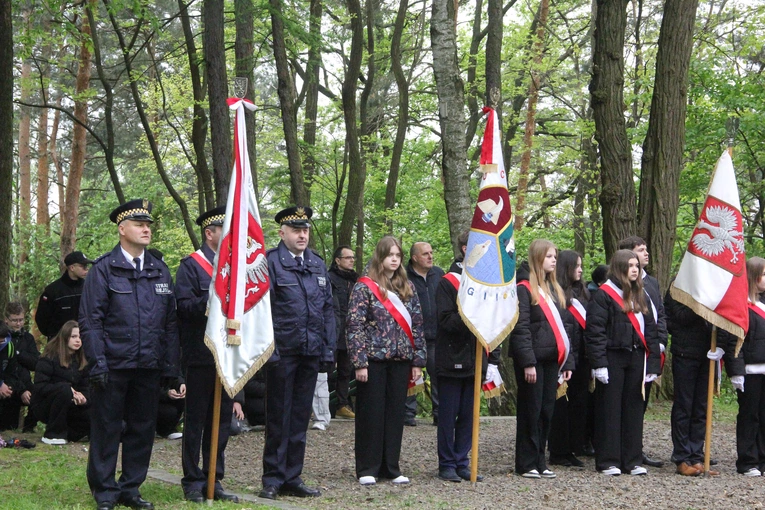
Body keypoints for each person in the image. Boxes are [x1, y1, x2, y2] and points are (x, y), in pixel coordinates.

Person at [79, 199, 182, 510]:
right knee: (107, 428)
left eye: (148, 224)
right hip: (113, 364)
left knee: (142, 429)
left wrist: (171, 367)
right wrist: (97, 362)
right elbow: (90, 320)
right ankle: (105, 492)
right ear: (122, 229)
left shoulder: (159, 269)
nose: (146, 228)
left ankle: (131, 489)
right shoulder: (103, 269)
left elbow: (170, 323)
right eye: (139, 224)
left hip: (148, 365)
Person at [259, 206, 336, 500]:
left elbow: (327, 309)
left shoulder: (316, 264)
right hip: (283, 351)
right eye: (296, 230)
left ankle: (293, 475)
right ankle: (273, 478)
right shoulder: (270, 263)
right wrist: (271, 350)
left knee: (300, 417)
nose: (302, 234)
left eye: (305, 230)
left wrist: (327, 349)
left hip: (310, 351)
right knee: (278, 417)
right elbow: (263, 310)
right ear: (282, 233)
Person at [346, 235, 426, 486]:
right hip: (373, 361)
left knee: (395, 415)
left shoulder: (406, 287)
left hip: (401, 359)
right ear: (380, 257)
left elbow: (418, 326)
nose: (394, 259)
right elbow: (354, 326)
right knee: (371, 414)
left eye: (398, 255)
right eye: (390, 254)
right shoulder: (364, 287)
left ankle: (391, 467)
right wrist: (359, 362)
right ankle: (367, 467)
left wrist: (417, 361)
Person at [174, 205, 239, 504]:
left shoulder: (236, 268)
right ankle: (192, 479)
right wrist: (210, 298)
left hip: (228, 354)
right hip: (200, 354)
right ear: (209, 233)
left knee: (222, 419)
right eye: (222, 231)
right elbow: (183, 307)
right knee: (197, 420)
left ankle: (216, 476)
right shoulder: (191, 266)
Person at [585, 249, 661, 476]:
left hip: (637, 356)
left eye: (636, 265)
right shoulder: (604, 295)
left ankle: (632, 459)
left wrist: (653, 365)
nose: (635, 268)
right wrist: (598, 364)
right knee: (609, 409)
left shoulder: (641, 294)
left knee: (634, 408)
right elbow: (595, 331)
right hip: (612, 357)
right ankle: (608, 460)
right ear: (619, 268)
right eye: (630, 265)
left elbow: (651, 332)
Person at [435, 230, 499, 482]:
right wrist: (473, 314)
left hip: (477, 358)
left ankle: (463, 460)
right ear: (465, 249)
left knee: (469, 415)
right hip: (452, 357)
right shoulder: (446, 282)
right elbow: (445, 320)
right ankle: (447, 463)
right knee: (448, 414)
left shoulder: (486, 283)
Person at [510, 240, 574, 479]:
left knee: (547, 410)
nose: (554, 260)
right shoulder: (523, 288)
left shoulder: (553, 289)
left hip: (551, 360)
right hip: (532, 361)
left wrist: (567, 362)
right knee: (531, 410)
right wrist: (527, 361)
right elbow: (521, 327)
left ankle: (540, 459)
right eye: (549, 256)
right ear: (538, 258)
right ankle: (526, 462)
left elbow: (565, 328)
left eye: (555, 256)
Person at [665, 278, 734, 476]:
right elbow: (678, 317)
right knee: (684, 405)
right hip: (685, 352)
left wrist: (720, 345)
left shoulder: (714, 283)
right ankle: (682, 456)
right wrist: (701, 302)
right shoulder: (679, 285)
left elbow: (723, 317)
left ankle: (696, 454)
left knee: (701, 407)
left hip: (708, 352)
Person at [617, 236, 668, 468]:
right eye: (640, 250)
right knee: (628, 400)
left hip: (652, 348)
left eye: (646, 249)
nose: (646, 253)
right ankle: (621, 448)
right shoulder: (619, 284)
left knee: (641, 400)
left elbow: (660, 313)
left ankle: (635, 449)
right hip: (631, 348)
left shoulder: (653, 283)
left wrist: (661, 341)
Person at [723, 256, 765, 476]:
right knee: (750, 416)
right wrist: (736, 371)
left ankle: (762, 458)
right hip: (750, 371)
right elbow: (734, 342)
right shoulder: (741, 306)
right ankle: (748, 461)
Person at [548, 250, 590, 467]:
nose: (580, 270)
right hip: (565, 358)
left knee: (579, 403)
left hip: (582, 358)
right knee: (561, 405)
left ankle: (576, 444)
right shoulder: (556, 293)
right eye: (577, 266)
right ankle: (559, 449)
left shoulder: (583, 292)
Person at [30, 320, 90, 445]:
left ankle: (70, 433)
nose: (78, 340)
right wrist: (68, 389)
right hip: (46, 405)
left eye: (80, 337)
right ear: (65, 337)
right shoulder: (49, 357)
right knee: (64, 390)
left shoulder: (82, 360)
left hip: (71, 405)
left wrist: (83, 397)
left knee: (94, 408)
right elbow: (40, 387)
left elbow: (86, 386)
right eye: (73, 337)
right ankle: (52, 434)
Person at [404, 241, 444, 426]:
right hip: (411, 335)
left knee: (438, 374)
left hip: (437, 335)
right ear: (414, 258)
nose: (430, 256)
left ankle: (439, 412)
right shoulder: (403, 276)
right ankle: (407, 413)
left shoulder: (439, 274)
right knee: (411, 375)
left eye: (431, 252)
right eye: (425, 253)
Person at [328, 245, 359, 419]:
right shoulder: (329, 278)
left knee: (346, 370)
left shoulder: (355, 281)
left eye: (353, 257)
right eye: (348, 257)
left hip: (350, 332)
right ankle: (321, 406)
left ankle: (342, 404)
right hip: (333, 331)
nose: (352, 260)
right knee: (327, 369)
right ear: (338, 260)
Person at [36, 251, 93, 340]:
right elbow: (42, 319)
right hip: (59, 342)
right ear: (72, 267)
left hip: (84, 340)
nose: (86, 269)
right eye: (82, 266)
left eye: (87, 266)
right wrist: (55, 337)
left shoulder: (89, 288)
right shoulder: (53, 290)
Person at [0, 302, 38, 432]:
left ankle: (29, 428)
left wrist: (18, 354)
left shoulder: (28, 338)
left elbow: (35, 363)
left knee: (40, 396)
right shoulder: (3, 338)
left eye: (21, 320)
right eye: (14, 320)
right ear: (6, 320)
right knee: (9, 423)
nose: (18, 324)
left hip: (25, 381)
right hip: (8, 382)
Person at [0, 323, 25, 430]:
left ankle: (9, 429)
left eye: (2, 341)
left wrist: (8, 386)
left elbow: (12, 372)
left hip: (4, 386)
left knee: (14, 393)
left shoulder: (9, 347)